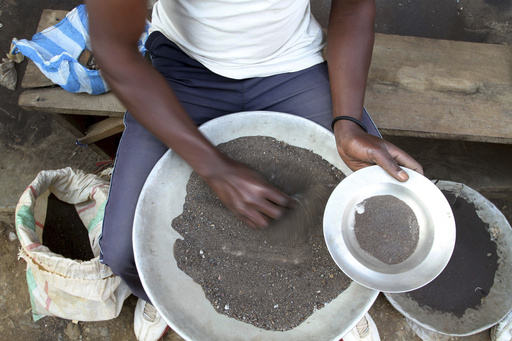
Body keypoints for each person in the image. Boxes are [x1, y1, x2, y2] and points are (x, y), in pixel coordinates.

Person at [86, 0, 423, 340]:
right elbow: (113, 50)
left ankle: (347, 311)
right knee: (124, 250)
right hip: (184, 67)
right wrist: (214, 168)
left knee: (370, 210)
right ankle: (157, 293)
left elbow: (353, 10)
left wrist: (348, 124)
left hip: (292, 63)